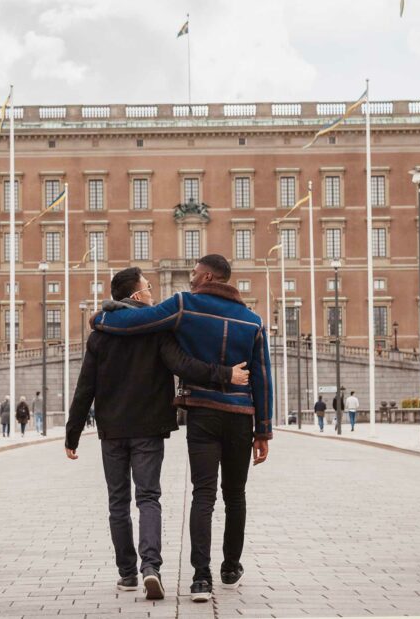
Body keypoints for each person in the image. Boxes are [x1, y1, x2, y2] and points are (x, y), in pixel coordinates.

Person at [91, 255, 272, 603]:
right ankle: (231, 568)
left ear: (206, 277)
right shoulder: (253, 321)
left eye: (193, 275)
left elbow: (135, 321)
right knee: (236, 495)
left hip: (203, 412)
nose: (189, 280)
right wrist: (262, 430)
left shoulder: (185, 305)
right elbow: (262, 378)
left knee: (203, 495)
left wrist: (99, 317)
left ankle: (200, 579)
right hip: (240, 415)